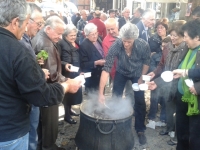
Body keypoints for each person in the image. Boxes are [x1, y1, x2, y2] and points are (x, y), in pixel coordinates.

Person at [0, 0, 81, 149]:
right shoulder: (18, 50)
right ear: (16, 22)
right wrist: (66, 85)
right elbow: (40, 95)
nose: (26, 30)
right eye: (26, 24)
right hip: (11, 133)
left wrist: (35, 70)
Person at [99, 23, 151, 145]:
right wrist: (101, 93)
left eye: (129, 42)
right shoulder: (116, 45)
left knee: (139, 101)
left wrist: (142, 78)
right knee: (115, 97)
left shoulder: (143, 45)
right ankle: (115, 125)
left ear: (134, 39)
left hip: (137, 73)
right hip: (121, 72)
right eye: (124, 41)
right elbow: (106, 68)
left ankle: (140, 130)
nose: (125, 44)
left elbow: (146, 62)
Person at [147, 20, 187, 146]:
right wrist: (154, 73)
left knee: (179, 112)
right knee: (168, 107)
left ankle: (177, 134)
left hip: (180, 84)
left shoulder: (186, 49)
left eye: (176, 36)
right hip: (167, 82)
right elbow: (162, 64)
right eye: (172, 35)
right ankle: (169, 129)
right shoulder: (168, 47)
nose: (173, 38)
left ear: (183, 36)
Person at [32, 16, 66, 150]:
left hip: (40, 89)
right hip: (48, 90)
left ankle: (43, 145)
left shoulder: (39, 37)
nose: (61, 37)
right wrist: (65, 79)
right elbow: (52, 75)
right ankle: (49, 146)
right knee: (49, 122)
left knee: (41, 123)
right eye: (58, 33)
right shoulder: (46, 44)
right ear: (48, 29)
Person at [18, 3, 45, 150]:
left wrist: (35, 60)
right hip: (27, 101)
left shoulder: (26, 40)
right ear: (27, 21)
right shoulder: (20, 42)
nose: (40, 27)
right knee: (31, 131)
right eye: (39, 23)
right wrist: (41, 73)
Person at [171, 19, 200, 150]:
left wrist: (185, 72)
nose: (184, 39)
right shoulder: (187, 49)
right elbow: (175, 68)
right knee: (181, 133)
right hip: (182, 97)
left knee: (195, 136)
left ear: (197, 37)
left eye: (186, 37)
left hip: (195, 100)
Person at [59, 24, 82, 124]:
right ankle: (67, 116)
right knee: (68, 95)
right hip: (67, 72)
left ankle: (70, 110)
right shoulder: (61, 44)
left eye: (74, 35)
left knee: (75, 92)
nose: (73, 37)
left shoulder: (75, 42)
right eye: (71, 35)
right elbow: (58, 59)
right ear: (65, 35)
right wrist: (65, 64)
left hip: (75, 71)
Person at [79, 23, 105, 93]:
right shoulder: (84, 46)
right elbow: (83, 64)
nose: (95, 36)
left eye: (96, 33)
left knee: (101, 94)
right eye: (92, 34)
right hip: (92, 78)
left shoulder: (99, 39)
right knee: (93, 99)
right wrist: (96, 63)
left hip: (101, 74)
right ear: (87, 35)